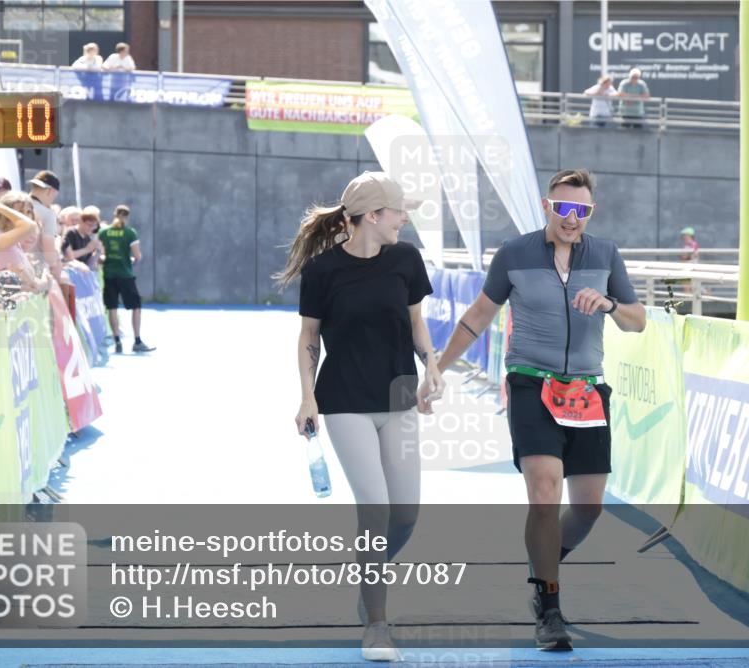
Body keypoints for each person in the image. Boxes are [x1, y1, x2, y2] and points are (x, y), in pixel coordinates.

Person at [434, 169, 646, 651]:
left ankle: (541, 563)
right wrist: (439, 368)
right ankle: (549, 608)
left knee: (589, 507)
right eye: (564, 208)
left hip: (588, 391)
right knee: (545, 491)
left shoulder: (606, 254)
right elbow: (478, 317)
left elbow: (638, 322)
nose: (572, 219)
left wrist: (611, 304)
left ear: (591, 213)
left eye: (583, 211)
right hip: (531, 383)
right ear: (548, 207)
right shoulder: (514, 253)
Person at [276, 171, 444, 662]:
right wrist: (307, 397)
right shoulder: (323, 269)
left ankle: (369, 578)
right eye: (398, 211)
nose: (405, 218)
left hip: (399, 396)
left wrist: (431, 364)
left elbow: (416, 323)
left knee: (406, 516)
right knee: (375, 509)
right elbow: (309, 338)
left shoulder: (405, 259)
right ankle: (377, 623)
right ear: (373, 216)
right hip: (345, 400)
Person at [98, 205, 155, 353]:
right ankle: (137, 340)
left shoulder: (104, 232)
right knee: (136, 307)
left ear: (114, 214)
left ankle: (117, 341)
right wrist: (129, 259)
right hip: (125, 275)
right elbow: (137, 256)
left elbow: (101, 255)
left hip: (109, 274)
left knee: (112, 308)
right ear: (127, 216)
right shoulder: (130, 233)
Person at [0, 192, 48, 293]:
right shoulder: (5, 244)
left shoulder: (12, 240)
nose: (26, 217)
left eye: (28, 211)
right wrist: (47, 282)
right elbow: (31, 284)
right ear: (5, 216)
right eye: (20, 212)